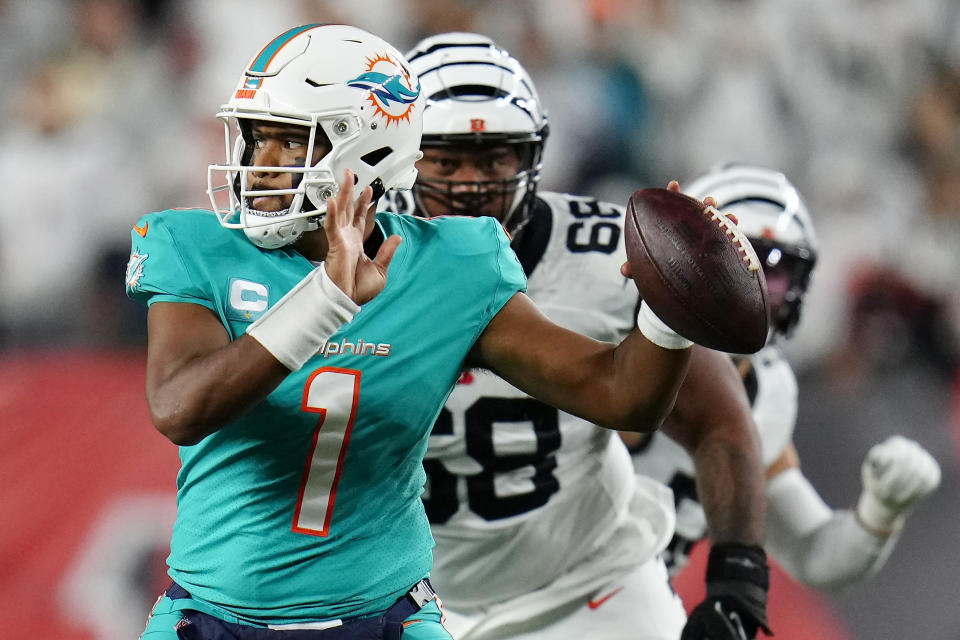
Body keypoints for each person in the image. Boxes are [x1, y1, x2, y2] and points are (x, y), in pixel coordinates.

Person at [126, 24, 747, 640]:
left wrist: (669, 307)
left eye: (291, 144)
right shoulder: (195, 245)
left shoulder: (452, 264)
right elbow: (180, 407)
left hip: (384, 616)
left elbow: (619, 394)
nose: (258, 165)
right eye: (256, 138)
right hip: (213, 616)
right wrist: (327, 299)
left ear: (365, 151)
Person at [385, 33, 770, 640]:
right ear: (399, 156)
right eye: (446, 159)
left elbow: (715, 417)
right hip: (407, 603)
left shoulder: (609, 256)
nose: (471, 184)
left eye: (494, 159)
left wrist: (737, 580)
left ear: (531, 158)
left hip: (590, 585)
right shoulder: (353, 271)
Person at [629, 162, 943, 592]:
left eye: (772, 274)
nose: (751, 292)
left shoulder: (766, 391)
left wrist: (880, 513)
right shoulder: (609, 328)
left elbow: (814, 554)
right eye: (734, 263)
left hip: (624, 608)